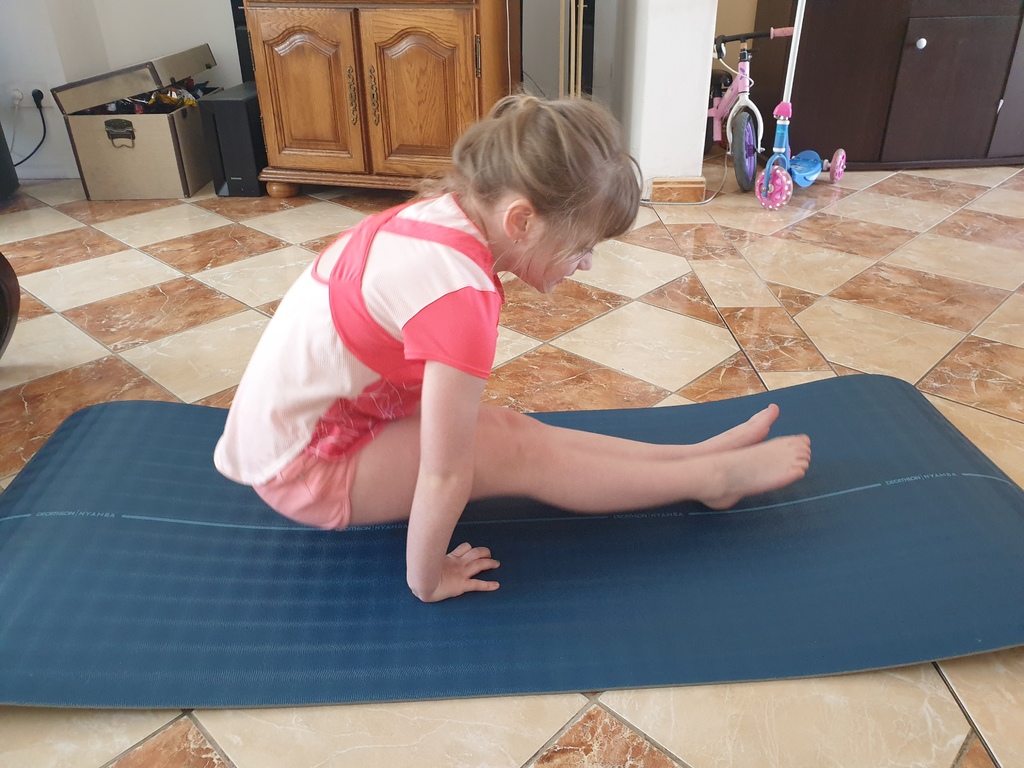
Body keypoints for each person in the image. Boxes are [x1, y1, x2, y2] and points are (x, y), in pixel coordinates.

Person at [214, 94, 811, 603]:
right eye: (581, 245)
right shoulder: (458, 294)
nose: (586, 263)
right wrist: (428, 578)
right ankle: (712, 477)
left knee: (507, 431)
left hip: (305, 434)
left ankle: (695, 462)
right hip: (304, 470)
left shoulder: (442, 216)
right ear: (522, 221)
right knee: (510, 450)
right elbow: (446, 472)